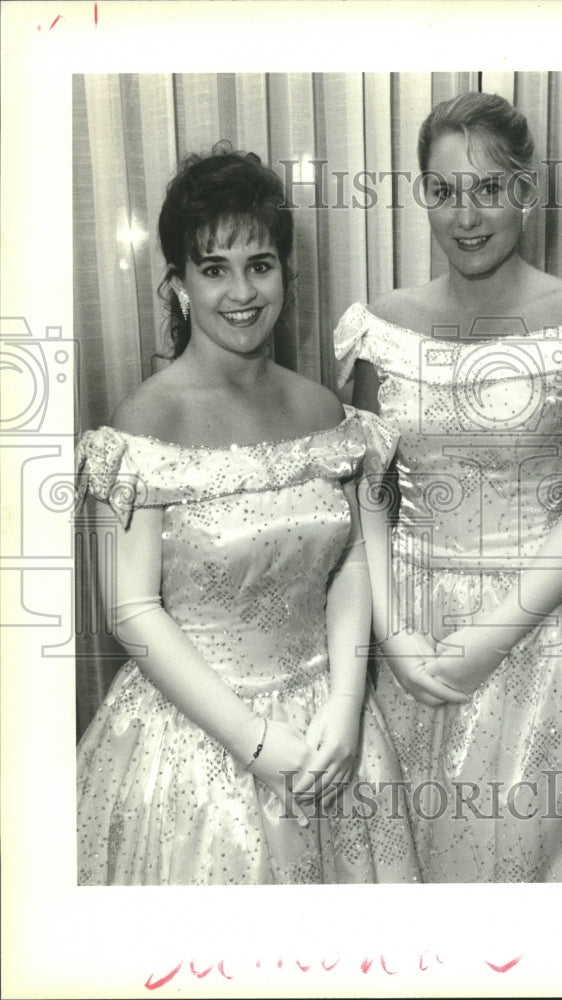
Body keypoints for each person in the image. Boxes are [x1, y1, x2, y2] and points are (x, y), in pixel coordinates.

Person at [334, 93, 562, 882]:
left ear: (526, 190)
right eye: (444, 191)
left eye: (488, 189)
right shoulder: (380, 326)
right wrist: (395, 634)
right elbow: (367, 499)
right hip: (406, 627)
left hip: (554, 630)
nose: (466, 216)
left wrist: (483, 642)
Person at [75, 145, 420, 885]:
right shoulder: (146, 419)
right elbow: (132, 611)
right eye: (213, 268)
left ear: (286, 277)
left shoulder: (321, 407)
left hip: (331, 728)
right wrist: (257, 743)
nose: (241, 292)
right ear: (177, 287)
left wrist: (346, 704)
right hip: (199, 742)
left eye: (260, 265)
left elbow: (352, 561)